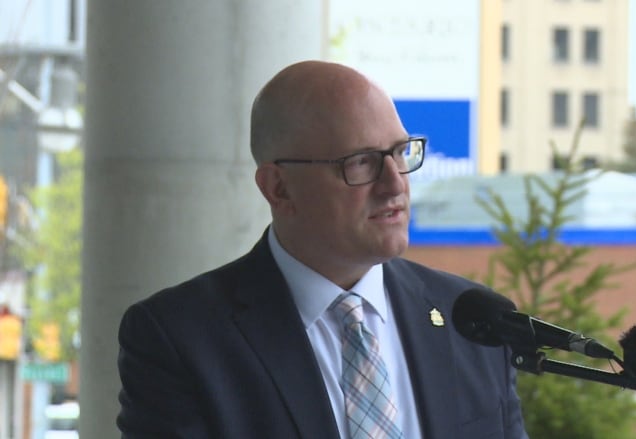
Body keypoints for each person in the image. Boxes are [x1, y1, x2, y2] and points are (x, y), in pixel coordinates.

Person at [116, 60, 529, 438]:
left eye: (401, 153)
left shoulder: (472, 321)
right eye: (362, 162)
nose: (395, 184)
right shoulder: (181, 338)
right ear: (279, 187)